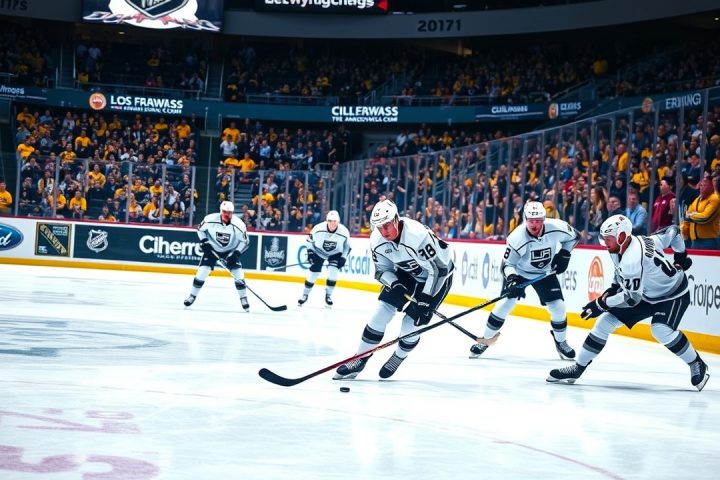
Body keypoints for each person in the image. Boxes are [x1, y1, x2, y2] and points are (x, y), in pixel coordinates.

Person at [547, 215, 710, 391]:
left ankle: (696, 362)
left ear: (622, 236)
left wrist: (601, 304)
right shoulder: (631, 243)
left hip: (673, 294)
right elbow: (674, 231)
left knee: (660, 330)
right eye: (604, 238)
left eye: (609, 238)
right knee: (604, 323)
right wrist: (681, 255)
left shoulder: (632, 259)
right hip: (646, 293)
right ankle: (578, 368)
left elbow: (632, 298)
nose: (605, 242)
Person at [333, 199, 454, 380]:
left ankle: (399, 356)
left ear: (396, 219)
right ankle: (360, 358)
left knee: (411, 324)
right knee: (381, 313)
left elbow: (439, 270)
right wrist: (394, 284)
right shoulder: (377, 240)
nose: (384, 232)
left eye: (387, 225)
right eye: (379, 227)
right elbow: (381, 271)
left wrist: (426, 299)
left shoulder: (417, 236)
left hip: (438, 276)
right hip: (407, 272)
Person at [468, 201, 580, 361]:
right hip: (519, 273)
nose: (535, 225)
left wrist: (565, 254)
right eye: (531, 221)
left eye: (538, 221)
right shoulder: (516, 238)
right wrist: (512, 280)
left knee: (558, 307)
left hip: (545, 273)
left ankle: (561, 343)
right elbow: (507, 265)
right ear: (525, 219)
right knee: (505, 304)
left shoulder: (557, 227)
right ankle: (485, 340)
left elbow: (575, 236)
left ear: (544, 219)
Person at [184, 201, 251, 311]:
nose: (227, 215)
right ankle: (192, 296)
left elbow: (245, 242)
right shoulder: (209, 219)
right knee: (202, 273)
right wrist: (204, 242)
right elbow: (200, 230)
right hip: (212, 250)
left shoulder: (239, 224)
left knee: (238, 275)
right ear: (220, 211)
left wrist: (235, 254)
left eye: (229, 212)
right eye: (224, 212)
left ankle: (244, 298)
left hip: (230, 251)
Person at [298, 210, 351, 307]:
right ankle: (305, 295)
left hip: (335, 253)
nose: (332, 223)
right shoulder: (318, 228)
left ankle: (328, 295)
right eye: (330, 221)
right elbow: (309, 241)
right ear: (327, 221)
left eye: (334, 221)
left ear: (338, 221)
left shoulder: (344, 231)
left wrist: (343, 258)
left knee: (333, 273)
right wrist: (310, 252)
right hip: (319, 251)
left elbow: (347, 247)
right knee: (314, 274)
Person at [681, 174, 720, 250]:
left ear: (711, 187)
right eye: (701, 185)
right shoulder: (697, 200)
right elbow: (686, 218)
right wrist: (684, 232)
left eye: (705, 185)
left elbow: (705, 218)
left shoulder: (714, 199)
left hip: (709, 241)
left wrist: (691, 216)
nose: (702, 187)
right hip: (694, 241)